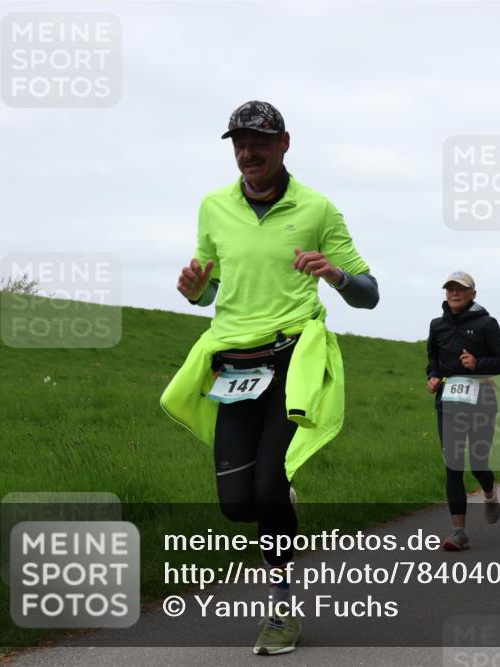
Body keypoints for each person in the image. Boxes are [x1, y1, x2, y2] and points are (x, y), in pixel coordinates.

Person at [162, 101, 379, 656]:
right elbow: (213, 288)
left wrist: (335, 274)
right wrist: (194, 291)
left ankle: (281, 610)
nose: (247, 152)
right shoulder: (213, 207)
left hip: (289, 358)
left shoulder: (318, 209)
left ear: (284, 143)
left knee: (265, 486)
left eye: (258, 141)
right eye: (238, 141)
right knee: (237, 504)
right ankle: (282, 499)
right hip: (233, 364)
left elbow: (369, 293)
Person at [427, 271, 500, 551]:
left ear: (472, 294)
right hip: (448, 401)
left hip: (482, 398)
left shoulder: (487, 324)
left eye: (460, 289)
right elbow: (432, 360)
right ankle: (458, 531)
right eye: (450, 288)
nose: (454, 293)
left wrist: (477, 364)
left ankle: (489, 493)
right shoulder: (437, 325)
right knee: (453, 464)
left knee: (477, 464)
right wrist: (432, 376)